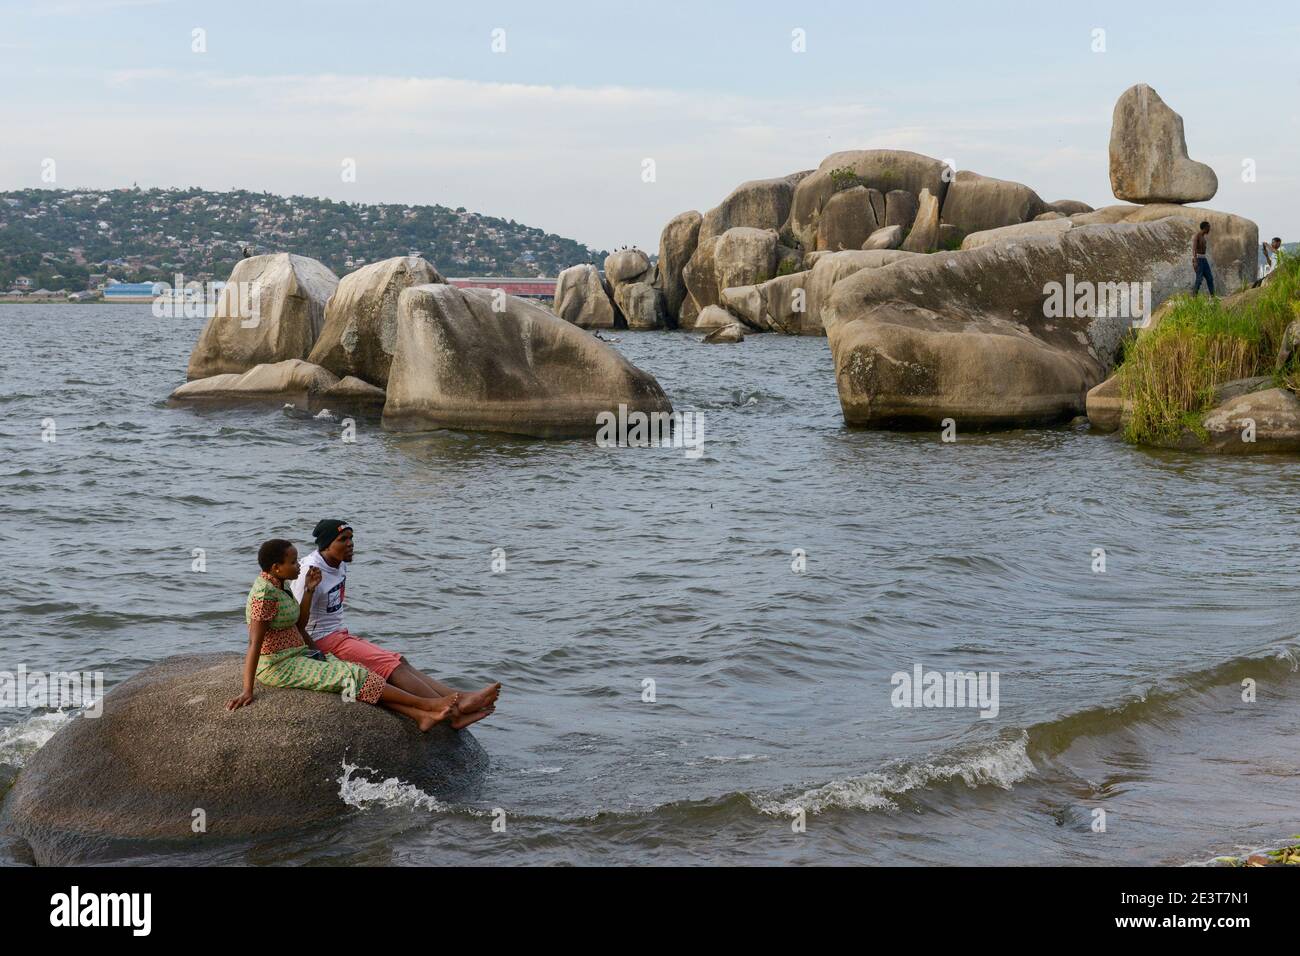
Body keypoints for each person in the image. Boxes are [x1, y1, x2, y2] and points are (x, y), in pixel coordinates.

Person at [227, 538, 460, 733]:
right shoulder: (264, 596)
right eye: (293, 562)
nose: (299, 565)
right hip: (278, 664)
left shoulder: (281, 584)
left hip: (297, 653)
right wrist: (247, 689)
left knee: (356, 672)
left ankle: (419, 715)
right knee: (353, 677)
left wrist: (309, 590)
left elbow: (299, 624)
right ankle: (428, 704)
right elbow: (253, 643)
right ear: (276, 567)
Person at [291, 520, 500, 730]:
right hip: (321, 640)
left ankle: (458, 699)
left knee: (400, 660)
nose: (350, 543)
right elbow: (297, 621)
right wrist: (319, 654)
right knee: (392, 667)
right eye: (342, 540)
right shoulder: (309, 571)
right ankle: (455, 711)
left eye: (351, 538)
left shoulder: (339, 563)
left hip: (338, 635)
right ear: (326, 545)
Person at [1192, 221, 1215, 296]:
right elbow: (1194, 249)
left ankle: (1213, 296)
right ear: (1205, 228)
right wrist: (1195, 261)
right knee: (1199, 279)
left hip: (1204, 260)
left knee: (1210, 278)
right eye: (1208, 227)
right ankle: (1194, 297)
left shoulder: (1203, 237)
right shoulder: (1197, 236)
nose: (1209, 229)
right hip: (1198, 259)